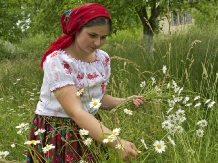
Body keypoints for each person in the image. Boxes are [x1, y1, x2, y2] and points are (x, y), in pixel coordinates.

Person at [26, 3, 145, 163]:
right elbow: (76, 111)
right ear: (76, 30)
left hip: (91, 129)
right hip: (59, 132)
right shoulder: (58, 61)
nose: (97, 42)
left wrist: (124, 102)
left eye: (103, 37)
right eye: (92, 35)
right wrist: (116, 142)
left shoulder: (102, 59)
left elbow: (97, 99)